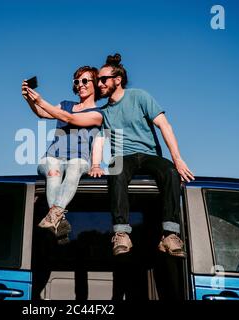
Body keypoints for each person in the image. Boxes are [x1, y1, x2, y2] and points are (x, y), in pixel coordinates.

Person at [89, 54, 195, 257]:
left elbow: (164, 125)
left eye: (103, 79)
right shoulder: (104, 112)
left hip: (148, 155)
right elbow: (100, 140)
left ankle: (170, 235)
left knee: (171, 172)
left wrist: (178, 159)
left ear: (117, 80)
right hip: (123, 156)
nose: (99, 83)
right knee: (116, 170)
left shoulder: (139, 96)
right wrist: (95, 164)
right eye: (97, 80)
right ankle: (121, 234)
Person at [22, 66, 103, 240]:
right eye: (77, 81)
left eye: (85, 81)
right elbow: (43, 113)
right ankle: (57, 222)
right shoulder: (66, 104)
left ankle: (54, 218)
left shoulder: (97, 114)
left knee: (74, 167)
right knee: (53, 171)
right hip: (53, 157)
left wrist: (96, 164)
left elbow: (70, 119)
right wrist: (30, 99)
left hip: (79, 159)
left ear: (95, 84)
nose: (80, 85)